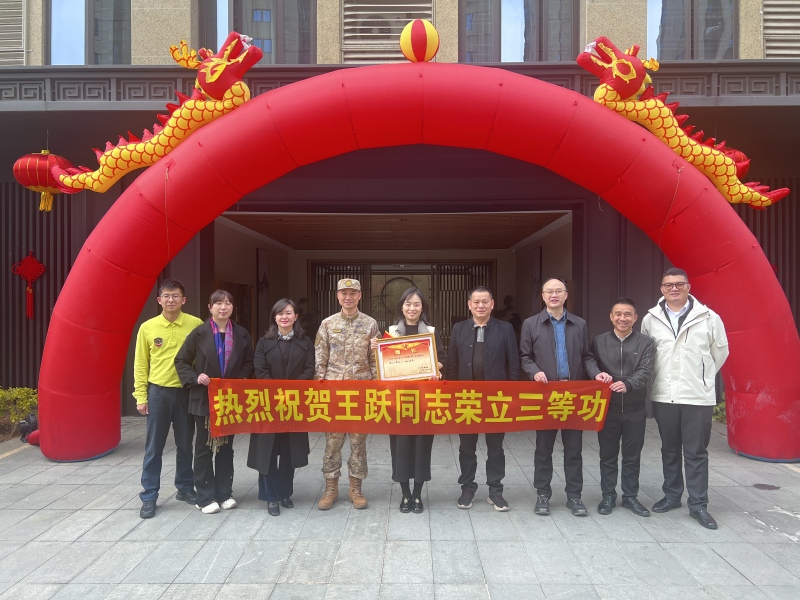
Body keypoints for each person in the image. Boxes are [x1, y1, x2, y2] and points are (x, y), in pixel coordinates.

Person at [641, 267, 729, 530]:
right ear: (662, 289)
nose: (674, 289)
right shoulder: (651, 319)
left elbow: (720, 353)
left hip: (696, 396)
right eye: (668, 285)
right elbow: (646, 355)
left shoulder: (709, 317)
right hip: (664, 394)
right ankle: (672, 496)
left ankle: (698, 504)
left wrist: (701, 376)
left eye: (679, 284)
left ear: (688, 287)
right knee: (669, 449)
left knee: (696, 452)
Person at [520, 277, 612, 517]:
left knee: (574, 449)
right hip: (546, 395)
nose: (554, 295)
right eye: (549, 291)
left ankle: (574, 496)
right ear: (542, 296)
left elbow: (586, 356)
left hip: (573, 396)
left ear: (566, 295)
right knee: (543, 448)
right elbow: (525, 357)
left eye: (558, 291)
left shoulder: (579, 324)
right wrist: (534, 371)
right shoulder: (531, 324)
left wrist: (596, 374)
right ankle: (543, 495)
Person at [175, 289, 254, 514]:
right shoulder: (199, 333)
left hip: (230, 400)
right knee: (203, 448)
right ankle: (205, 496)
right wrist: (195, 377)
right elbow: (181, 361)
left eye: (228, 303)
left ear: (232, 307)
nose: (223, 307)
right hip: (204, 399)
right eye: (218, 303)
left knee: (226, 448)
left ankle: (224, 493)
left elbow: (249, 361)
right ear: (210, 308)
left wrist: (241, 380)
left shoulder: (241, 334)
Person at [371, 287, 446, 514]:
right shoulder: (391, 333)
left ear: (422, 308)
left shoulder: (431, 332)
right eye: (408, 304)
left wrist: (435, 369)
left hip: (423, 401)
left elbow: (443, 359)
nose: (412, 308)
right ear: (401, 307)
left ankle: (418, 494)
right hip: (399, 401)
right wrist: (376, 348)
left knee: (422, 446)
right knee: (400, 447)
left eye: (416, 304)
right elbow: (383, 365)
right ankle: (405, 494)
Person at [134, 278, 203, 519]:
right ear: (159, 300)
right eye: (166, 296)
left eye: (175, 296)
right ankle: (149, 495)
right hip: (158, 393)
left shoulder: (196, 324)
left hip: (186, 393)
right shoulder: (147, 327)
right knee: (154, 447)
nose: (171, 300)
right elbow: (141, 364)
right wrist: (141, 396)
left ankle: (185, 488)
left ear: (183, 300)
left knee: (185, 444)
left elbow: (202, 360)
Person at [447, 286, 520, 512]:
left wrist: (512, 396)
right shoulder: (459, 328)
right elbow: (452, 364)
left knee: (495, 447)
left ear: (492, 304)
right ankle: (467, 487)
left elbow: (514, 364)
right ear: (469, 305)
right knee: (466, 446)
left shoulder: (505, 329)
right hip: (466, 398)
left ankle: (496, 490)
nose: (481, 305)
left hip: (495, 399)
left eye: (485, 301)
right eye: (476, 302)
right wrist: (451, 395)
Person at [315, 279, 380, 510]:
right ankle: (330, 488)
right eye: (344, 293)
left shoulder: (370, 324)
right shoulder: (327, 324)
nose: (348, 297)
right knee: (332, 442)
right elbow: (320, 359)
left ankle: (356, 488)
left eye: (353, 293)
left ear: (360, 296)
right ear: (338, 295)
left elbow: (375, 360)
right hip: (334, 393)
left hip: (360, 393)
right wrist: (318, 388)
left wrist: (377, 388)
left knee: (358, 442)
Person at [248, 299, 313, 516]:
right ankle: (270, 496)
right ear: (274, 317)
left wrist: (291, 391)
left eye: (288, 313)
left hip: (294, 404)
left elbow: (309, 370)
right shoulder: (263, 343)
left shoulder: (305, 342)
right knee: (267, 452)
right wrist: (278, 393)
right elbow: (260, 370)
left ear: (296, 316)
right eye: (280, 313)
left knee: (289, 451)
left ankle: (285, 493)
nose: (284, 317)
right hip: (269, 404)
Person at [591, 297, 655, 517]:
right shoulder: (599, 342)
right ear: (611, 317)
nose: (623, 318)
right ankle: (608, 496)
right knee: (607, 455)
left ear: (635, 318)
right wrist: (596, 373)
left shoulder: (646, 343)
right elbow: (589, 362)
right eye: (618, 314)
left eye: (628, 314)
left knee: (632, 456)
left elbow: (646, 370)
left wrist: (628, 384)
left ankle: (630, 497)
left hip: (635, 409)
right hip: (607, 409)